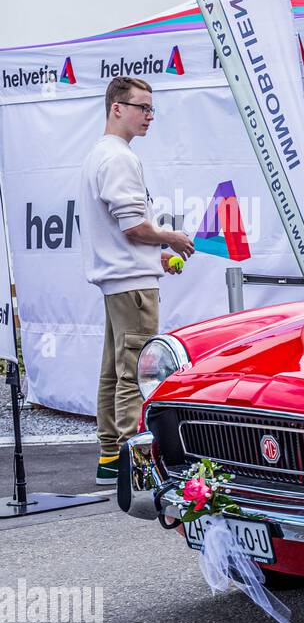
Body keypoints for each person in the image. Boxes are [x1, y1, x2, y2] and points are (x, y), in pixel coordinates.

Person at [80, 76, 194, 485]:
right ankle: (133, 465)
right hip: (131, 284)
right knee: (133, 372)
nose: (149, 116)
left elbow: (124, 231)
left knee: (114, 370)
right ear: (117, 108)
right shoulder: (118, 158)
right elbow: (132, 226)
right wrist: (171, 238)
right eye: (142, 107)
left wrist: (155, 252)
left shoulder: (102, 154)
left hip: (120, 279)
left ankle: (112, 455)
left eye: (151, 109)